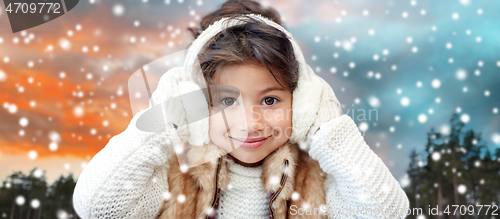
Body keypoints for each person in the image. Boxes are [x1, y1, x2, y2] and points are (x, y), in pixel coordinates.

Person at [73, 0, 410, 218]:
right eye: (227, 100)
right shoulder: (173, 174)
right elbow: (98, 208)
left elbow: (387, 212)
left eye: (270, 100)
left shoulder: (319, 177)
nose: (250, 124)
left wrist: (329, 128)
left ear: (303, 100)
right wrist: (163, 120)